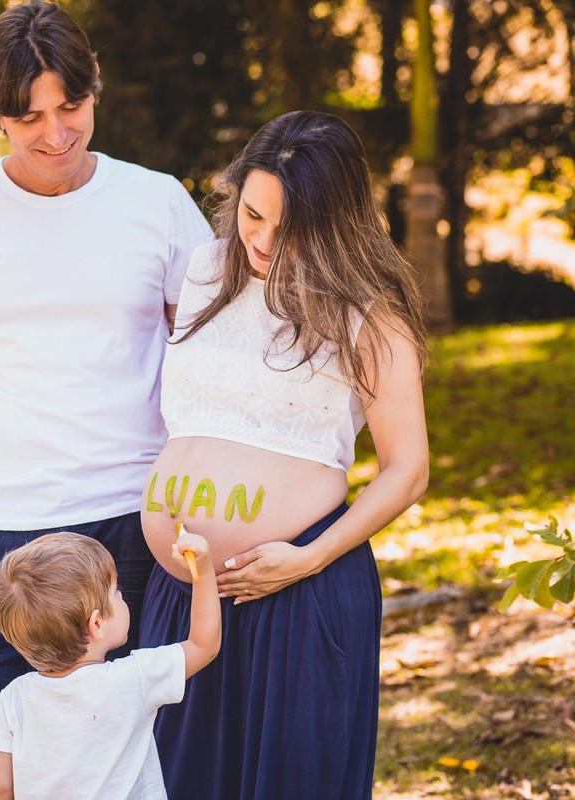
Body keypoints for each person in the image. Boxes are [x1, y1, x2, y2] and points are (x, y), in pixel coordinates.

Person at [0, 1, 213, 796]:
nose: (55, 134)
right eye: (28, 118)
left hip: (135, 528)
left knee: (136, 771)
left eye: (72, 107)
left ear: (97, 91)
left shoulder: (157, 203)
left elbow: (209, 359)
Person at [137, 109, 430, 799]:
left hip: (297, 589)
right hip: (179, 596)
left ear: (335, 223)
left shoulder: (368, 311)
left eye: (289, 227)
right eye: (254, 214)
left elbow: (409, 469)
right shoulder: (208, 271)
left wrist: (310, 557)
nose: (264, 239)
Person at [0, 531, 220, 800]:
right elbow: (203, 645)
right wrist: (204, 571)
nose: (121, 596)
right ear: (96, 625)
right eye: (116, 592)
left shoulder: (14, 697)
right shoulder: (134, 678)